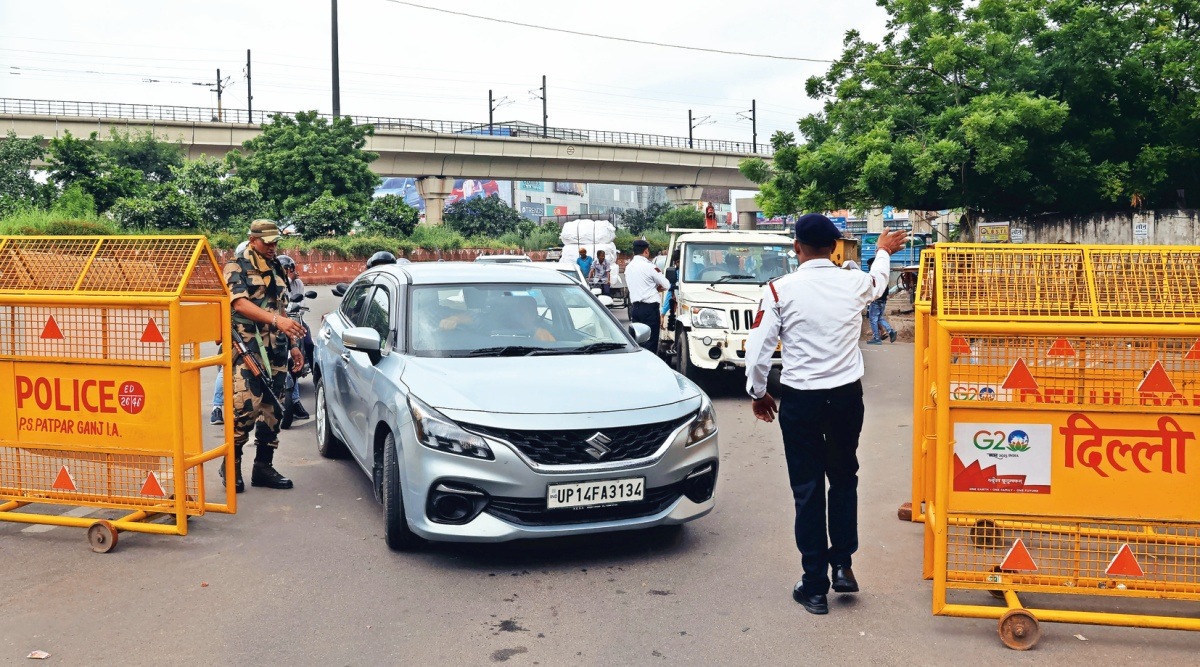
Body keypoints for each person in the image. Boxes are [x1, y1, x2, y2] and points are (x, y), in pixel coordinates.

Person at [744, 213, 907, 615]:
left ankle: (814, 585)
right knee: (844, 478)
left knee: (808, 489)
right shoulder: (855, 283)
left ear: (796, 247)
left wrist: (759, 392)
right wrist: (883, 251)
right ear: (835, 248)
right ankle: (844, 566)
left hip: (801, 401)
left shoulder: (779, 291)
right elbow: (879, 280)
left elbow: (759, 350)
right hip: (845, 398)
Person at [220, 219, 305, 493]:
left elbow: (280, 306)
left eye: (275, 242)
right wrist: (276, 321)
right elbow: (240, 303)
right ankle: (231, 466)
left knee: (273, 410)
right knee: (245, 408)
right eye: (266, 242)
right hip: (247, 349)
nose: (272, 246)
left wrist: (292, 344)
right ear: (252, 239)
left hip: (276, 349)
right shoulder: (236, 266)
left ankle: (263, 467)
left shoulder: (277, 266)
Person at [277, 255, 312, 420]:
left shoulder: (298, 283)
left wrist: (293, 342)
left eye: (291, 269)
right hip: (273, 326)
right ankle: (218, 405)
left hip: (293, 320)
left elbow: (296, 306)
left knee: (307, 341)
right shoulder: (274, 282)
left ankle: (315, 372)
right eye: (289, 269)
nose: (292, 272)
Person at [625, 239, 669, 354]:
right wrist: (655, 288)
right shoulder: (649, 266)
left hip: (635, 309)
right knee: (650, 342)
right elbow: (666, 284)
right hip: (649, 310)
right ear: (646, 251)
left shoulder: (628, 267)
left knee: (638, 342)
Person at [865, 260, 897, 345]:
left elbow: (869, 289)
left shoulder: (872, 275)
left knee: (873, 319)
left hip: (875, 300)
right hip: (883, 301)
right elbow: (886, 290)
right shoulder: (882, 276)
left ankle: (876, 338)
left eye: (869, 265)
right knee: (879, 318)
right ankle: (890, 331)